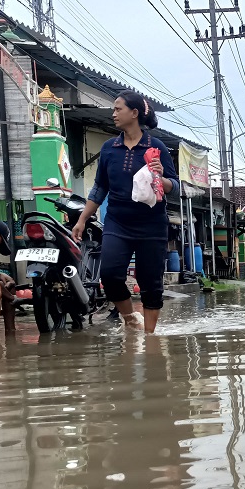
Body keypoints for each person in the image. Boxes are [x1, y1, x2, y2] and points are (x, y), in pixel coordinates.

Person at [71, 91, 180, 333]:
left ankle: (150, 337)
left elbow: (175, 187)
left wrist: (162, 178)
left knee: (150, 282)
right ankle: (130, 317)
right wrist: (82, 219)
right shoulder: (110, 148)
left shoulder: (157, 147)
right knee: (109, 275)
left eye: (118, 109)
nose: (113, 113)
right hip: (118, 223)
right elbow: (100, 187)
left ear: (134, 113)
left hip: (152, 224)